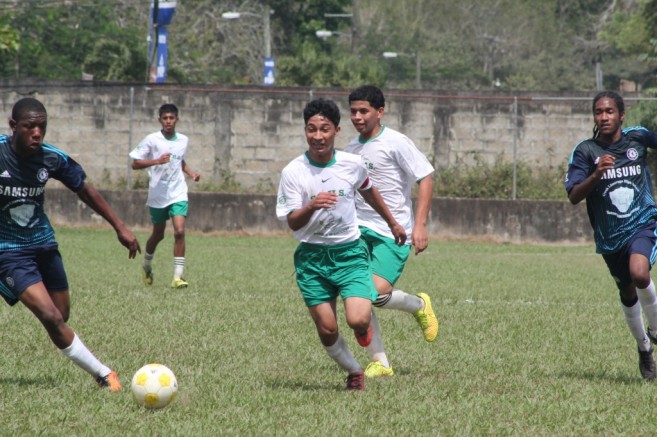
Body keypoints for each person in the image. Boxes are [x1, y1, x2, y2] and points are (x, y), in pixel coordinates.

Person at [0, 97, 141, 391]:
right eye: (30, 127)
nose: (37, 133)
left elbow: (85, 190)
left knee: (61, 315)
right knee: (51, 317)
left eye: (42, 127)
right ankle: (105, 375)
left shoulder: (52, 157)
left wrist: (120, 227)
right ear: (14, 126)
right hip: (8, 251)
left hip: (43, 244)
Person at [276, 98, 407, 391]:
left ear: (336, 130)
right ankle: (353, 370)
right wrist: (312, 206)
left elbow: (369, 191)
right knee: (327, 328)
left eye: (324, 129)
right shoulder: (293, 172)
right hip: (312, 259)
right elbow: (293, 222)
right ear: (305, 132)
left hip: (349, 254)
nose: (318, 136)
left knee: (359, 319)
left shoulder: (352, 163)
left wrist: (393, 223)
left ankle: (363, 333)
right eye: (311, 130)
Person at [345, 85, 438, 378]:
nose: (357, 117)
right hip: (358, 230)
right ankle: (381, 363)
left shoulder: (396, 142)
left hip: (392, 232)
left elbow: (425, 177)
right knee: (360, 294)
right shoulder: (350, 148)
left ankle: (418, 304)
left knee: (374, 293)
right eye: (353, 111)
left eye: (364, 111)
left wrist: (419, 225)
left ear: (380, 112)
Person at [565, 90, 657, 381]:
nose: (603, 117)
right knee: (627, 291)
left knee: (640, 273)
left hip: (643, 221)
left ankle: (655, 329)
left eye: (609, 112)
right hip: (609, 236)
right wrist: (595, 175)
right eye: (598, 112)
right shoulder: (585, 151)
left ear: (621, 114)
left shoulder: (638, 138)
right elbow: (573, 196)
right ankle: (644, 348)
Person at [129, 103, 200, 289]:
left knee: (179, 231)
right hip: (158, 194)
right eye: (165, 118)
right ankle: (146, 265)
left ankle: (178, 276)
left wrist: (191, 174)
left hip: (178, 192)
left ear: (177, 119)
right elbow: (135, 164)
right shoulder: (152, 140)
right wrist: (156, 161)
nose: (168, 121)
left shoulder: (183, 140)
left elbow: (179, 160)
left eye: (171, 118)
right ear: (160, 120)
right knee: (158, 234)